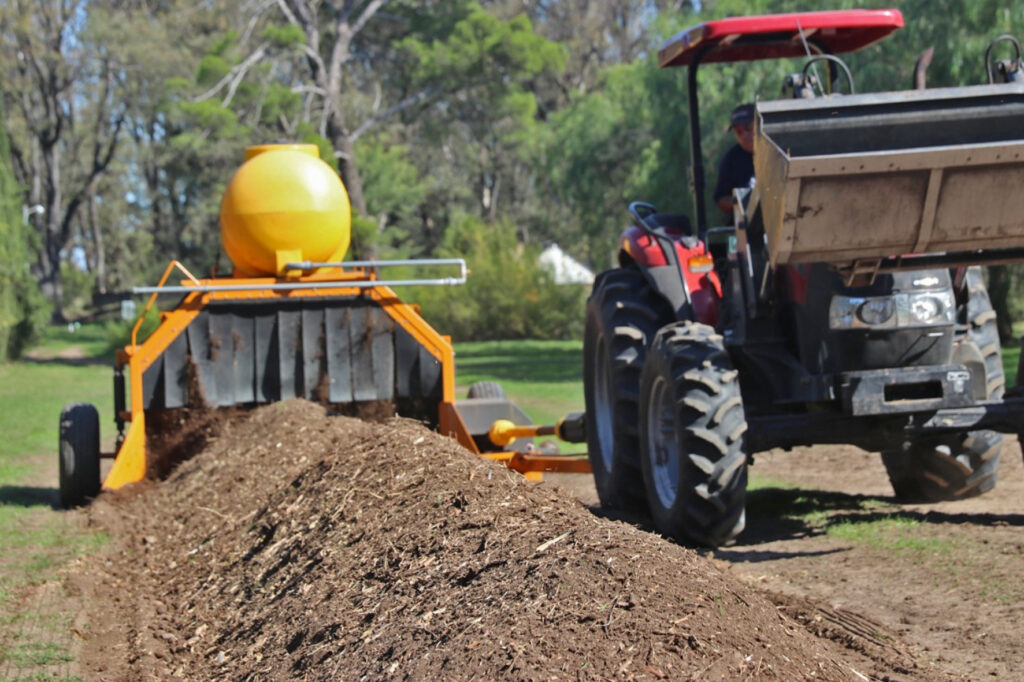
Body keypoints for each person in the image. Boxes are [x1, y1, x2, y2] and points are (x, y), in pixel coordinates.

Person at [714, 103, 755, 218]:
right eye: (739, 132)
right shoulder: (730, 160)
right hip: (745, 225)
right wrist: (740, 200)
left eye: (748, 129)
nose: (744, 135)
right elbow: (720, 200)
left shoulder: (777, 153)